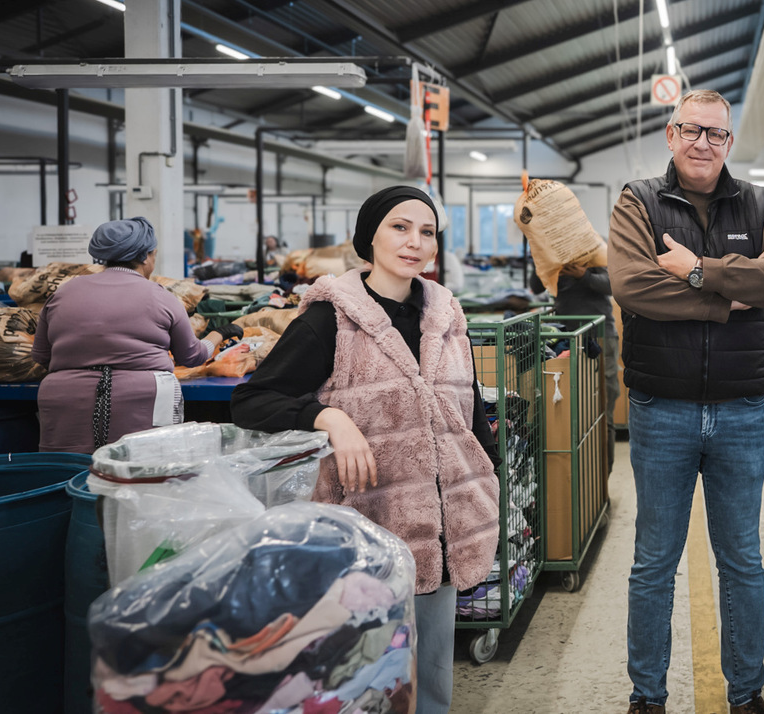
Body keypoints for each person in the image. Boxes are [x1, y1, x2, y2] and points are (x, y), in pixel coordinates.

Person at [230, 186, 501, 714]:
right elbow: (252, 400)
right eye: (400, 227)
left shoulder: (446, 316)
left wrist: (487, 476)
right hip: (368, 531)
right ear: (369, 237)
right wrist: (328, 417)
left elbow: (466, 409)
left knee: (432, 677)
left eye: (426, 232)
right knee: (366, 677)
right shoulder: (331, 318)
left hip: (444, 530)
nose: (414, 242)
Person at [608, 88, 764, 714]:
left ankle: (746, 694)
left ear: (728, 141)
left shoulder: (762, 203)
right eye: (691, 130)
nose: (703, 143)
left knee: (742, 561)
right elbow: (632, 286)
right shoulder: (638, 200)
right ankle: (647, 696)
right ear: (671, 135)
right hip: (660, 408)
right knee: (653, 562)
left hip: (742, 410)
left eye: (715, 133)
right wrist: (739, 288)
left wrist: (698, 270)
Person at [32, 217, 241, 454]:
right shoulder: (161, 297)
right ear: (144, 257)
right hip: (143, 404)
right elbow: (192, 356)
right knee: (140, 471)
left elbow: (41, 356)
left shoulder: (64, 292)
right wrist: (218, 334)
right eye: (154, 255)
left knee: (68, 471)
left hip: (65, 403)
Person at [529, 262, 620, 448]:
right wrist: (542, 261)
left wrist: (584, 275)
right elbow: (536, 287)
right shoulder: (553, 255)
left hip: (600, 334)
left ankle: (603, 464)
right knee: (570, 406)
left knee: (603, 405)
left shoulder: (595, 253)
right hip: (565, 337)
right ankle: (574, 461)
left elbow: (612, 285)